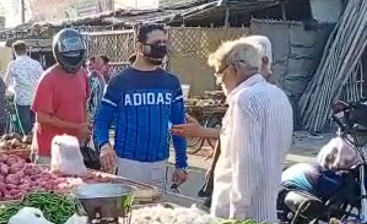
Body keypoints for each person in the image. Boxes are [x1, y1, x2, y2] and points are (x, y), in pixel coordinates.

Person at [172, 35, 277, 207]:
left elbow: (246, 152)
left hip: (241, 195)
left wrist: (201, 132)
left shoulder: (247, 99)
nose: (219, 80)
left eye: (221, 73)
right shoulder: (271, 95)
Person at [94, 23, 188, 192]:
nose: (161, 48)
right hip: (127, 164)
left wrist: (181, 164)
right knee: (126, 208)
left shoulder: (171, 83)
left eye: (164, 43)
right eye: (156, 43)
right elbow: (102, 121)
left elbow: (179, 125)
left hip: (159, 164)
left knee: (156, 208)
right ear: (139, 46)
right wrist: (104, 145)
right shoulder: (119, 82)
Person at [205, 40, 292, 222]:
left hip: (239, 215)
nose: (219, 82)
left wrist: (237, 213)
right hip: (266, 207)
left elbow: (246, 162)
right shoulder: (279, 95)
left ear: (234, 68)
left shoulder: (243, 100)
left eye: (220, 74)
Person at [31, 28, 90, 164]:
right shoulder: (47, 79)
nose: (72, 55)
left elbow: (83, 104)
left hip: (74, 148)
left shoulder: (82, 74)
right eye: (69, 52)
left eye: (76, 51)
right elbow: (42, 118)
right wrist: (76, 128)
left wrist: (85, 126)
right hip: (50, 152)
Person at [4, 41, 44, 135]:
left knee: (25, 128)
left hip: (21, 99)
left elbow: (6, 83)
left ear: (14, 51)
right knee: (36, 126)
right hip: (36, 98)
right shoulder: (36, 64)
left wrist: (6, 92)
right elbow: (43, 80)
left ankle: (27, 140)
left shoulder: (13, 64)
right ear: (25, 50)